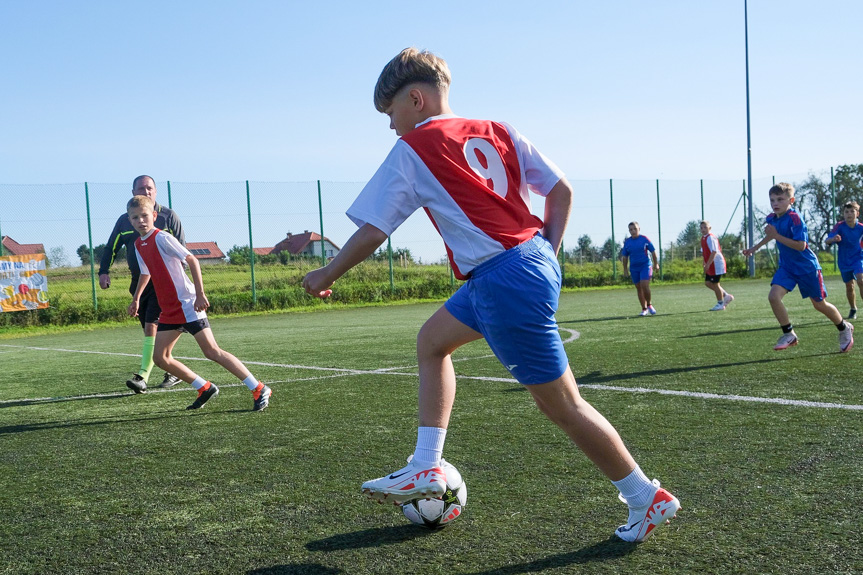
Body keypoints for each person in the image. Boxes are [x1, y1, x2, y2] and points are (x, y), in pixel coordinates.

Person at [302, 47, 680, 543]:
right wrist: (544, 254)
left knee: (563, 405)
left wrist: (326, 273)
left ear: (415, 99)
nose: (391, 126)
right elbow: (561, 191)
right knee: (433, 341)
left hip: (501, 277)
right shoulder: (500, 130)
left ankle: (643, 496)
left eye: (390, 113)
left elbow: (375, 231)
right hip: (517, 266)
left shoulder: (414, 148)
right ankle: (425, 465)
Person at [126, 195, 272, 412]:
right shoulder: (139, 244)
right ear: (130, 220)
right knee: (161, 358)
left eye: (145, 215)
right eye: (135, 217)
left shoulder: (162, 238)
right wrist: (136, 298)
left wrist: (200, 295)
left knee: (212, 351)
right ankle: (204, 387)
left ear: (154, 216)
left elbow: (192, 260)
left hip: (187, 305)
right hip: (169, 310)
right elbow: (145, 272)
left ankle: (259, 388)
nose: (141, 221)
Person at [742, 182, 853, 352]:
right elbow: (772, 236)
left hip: (807, 268)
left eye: (780, 199)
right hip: (787, 268)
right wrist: (754, 248)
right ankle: (789, 333)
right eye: (772, 200)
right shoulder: (771, 218)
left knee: (819, 304)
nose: (775, 203)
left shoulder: (795, 218)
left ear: (791, 200)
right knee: (773, 296)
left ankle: (844, 328)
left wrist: (776, 235)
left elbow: (801, 245)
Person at [99, 175, 184, 393]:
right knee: (151, 330)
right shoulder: (125, 220)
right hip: (140, 283)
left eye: (149, 188)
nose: (145, 192)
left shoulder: (168, 217)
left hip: (163, 283)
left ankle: (142, 377)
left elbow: (183, 253)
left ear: (155, 191)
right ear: (133, 192)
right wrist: (103, 271)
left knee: (151, 327)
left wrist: (179, 282)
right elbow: (111, 247)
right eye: (141, 189)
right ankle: (172, 369)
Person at [824, 201, 863, 320]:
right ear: (843, 214)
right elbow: (827, 240)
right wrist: (834, 239)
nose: (849, 214)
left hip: (858, 259)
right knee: (849, 286)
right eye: (846, 212)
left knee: (861, 280)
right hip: (844, 261)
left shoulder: (861, 228)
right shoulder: (839, 226)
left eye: (852, 211)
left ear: (857, 213)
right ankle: (853, 308)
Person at [620, 222, 659, 316]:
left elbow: (653, 251)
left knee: (644, 285)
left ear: (639, 229)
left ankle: (649, 304)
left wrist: (656, 264)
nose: (633, 231)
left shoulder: (644, 239)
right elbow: (625, 257)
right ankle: (644, 308)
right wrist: (625, 269)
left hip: (645, 266)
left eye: (635, 229)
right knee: (639, 288)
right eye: (631, 230)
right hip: (634, 268)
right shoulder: (627, 242)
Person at [700, 220, 734, 311]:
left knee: (715, 284)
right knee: (708, 283)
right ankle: (726, 296)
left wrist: (708, 264)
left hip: (716, 264)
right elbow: (704, 252)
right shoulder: (703, 238)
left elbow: (714, 251)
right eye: (701, 228)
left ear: (709, 228)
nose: (703, 229)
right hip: (710, 264)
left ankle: (720, 304)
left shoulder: (710, 238)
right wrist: (704, 262)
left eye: (705, 227)